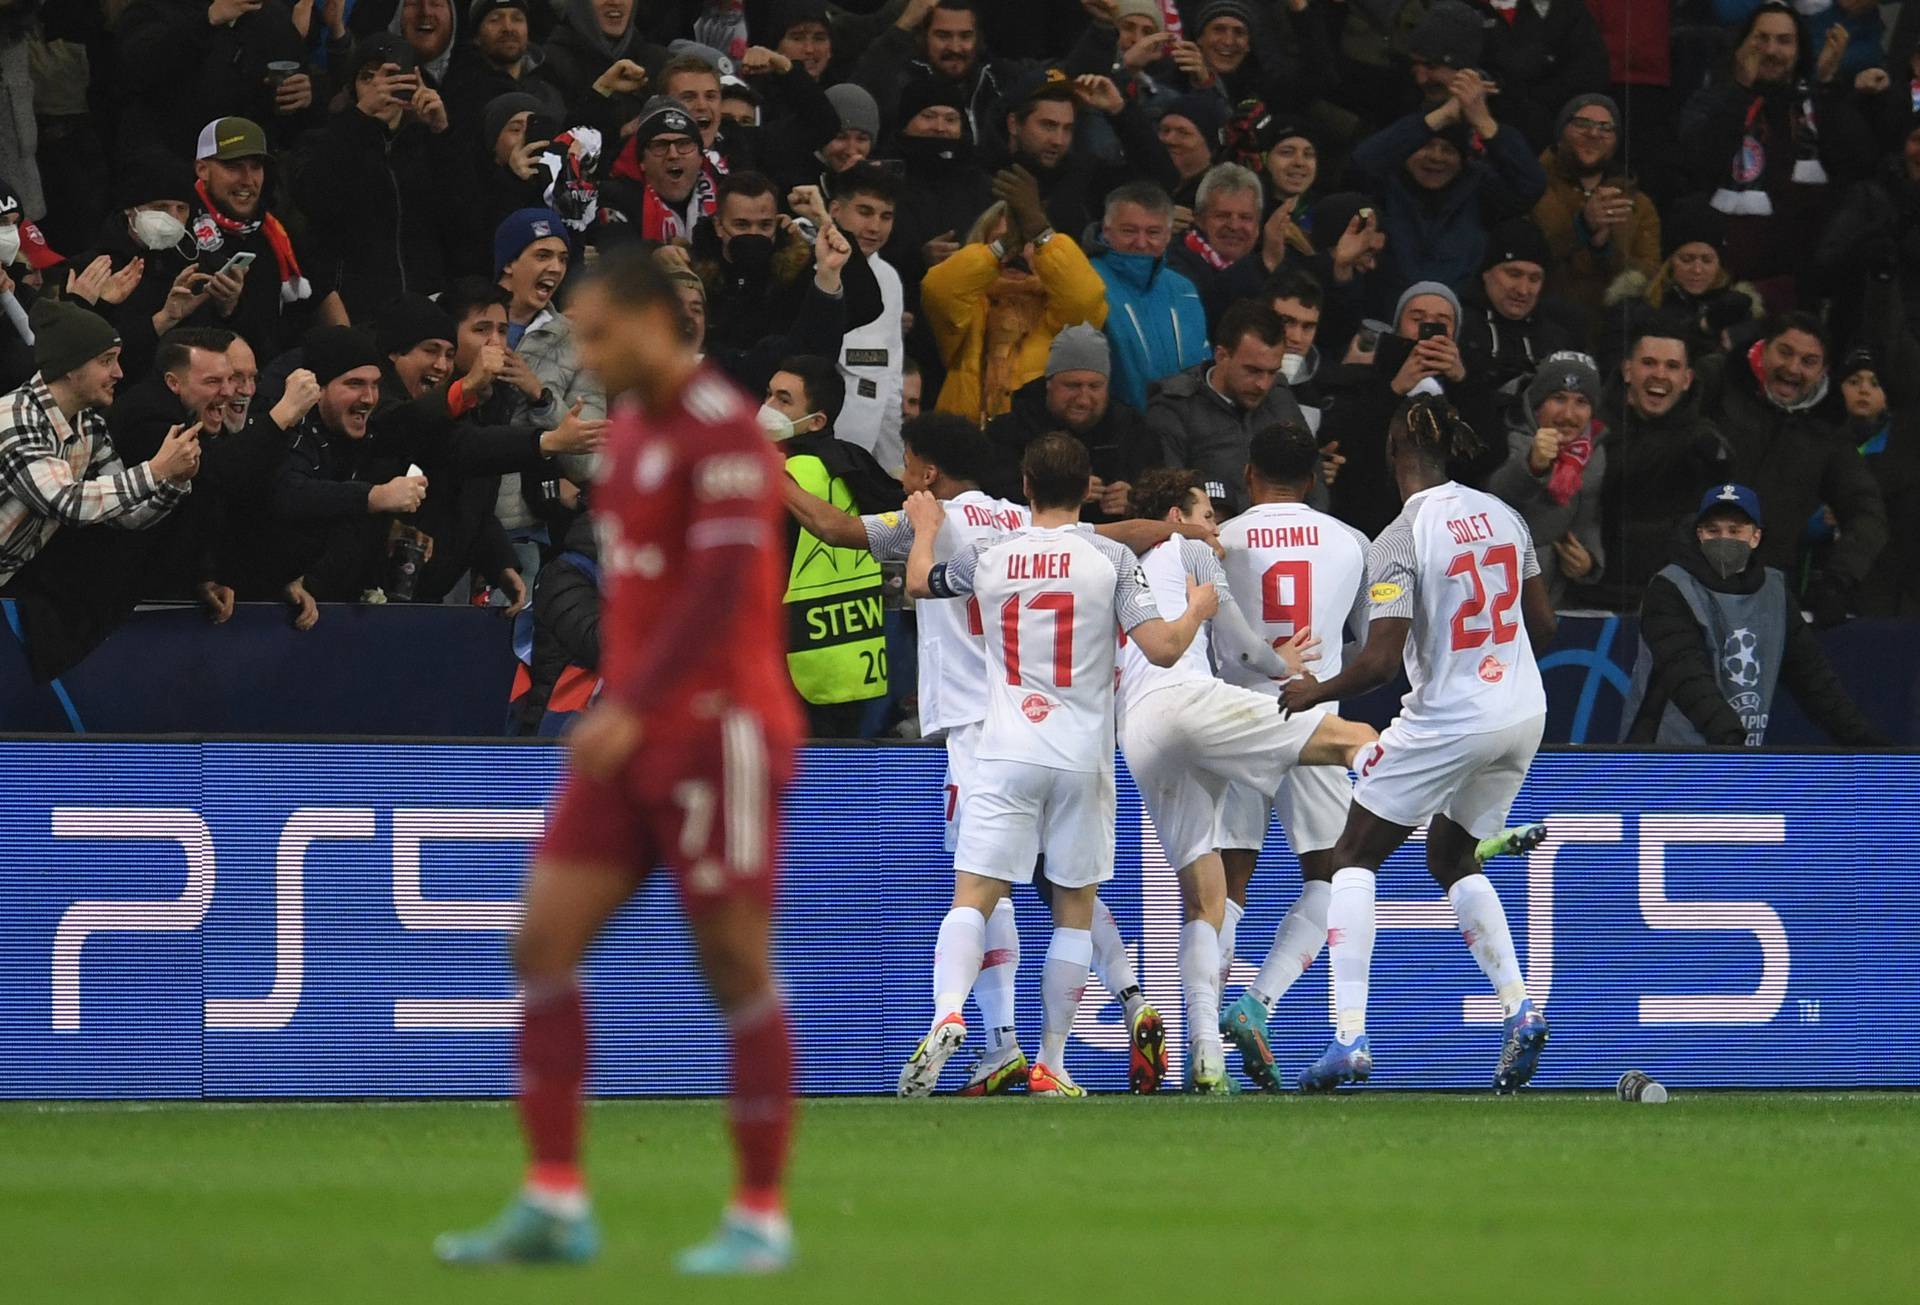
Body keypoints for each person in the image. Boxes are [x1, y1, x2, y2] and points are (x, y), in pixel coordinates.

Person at [433, 249, 801, 1273]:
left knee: (733, 967)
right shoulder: (629, 430)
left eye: (599, 335)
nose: (587, 358)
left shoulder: (725, 429)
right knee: (541, 941)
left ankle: (759, 1214)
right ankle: (554, 1200)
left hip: (719, 731)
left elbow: (725, 590)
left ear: (652, 322)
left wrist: (629, 703)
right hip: (633, 731)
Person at [783, 411, 1187, 1095]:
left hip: (986, 731)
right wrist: (1182, 532)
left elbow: (834, 529)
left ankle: (996, 1037)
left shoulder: (931, 520)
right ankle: (1125, 998)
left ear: (929, 471)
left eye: (908, 465)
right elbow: (1118, 535)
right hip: (1071, 736)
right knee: (1064, 885)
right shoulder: (1023, 523)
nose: (905, 479)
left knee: (984, 883)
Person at [895, 432, 1216, 1100]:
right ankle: (1050, 1061)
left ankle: (949, 1012)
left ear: (1026, 484)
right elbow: (1159, 649)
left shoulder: (991, 553)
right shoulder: (1110, 558)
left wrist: (925, 527)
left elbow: (920, 581)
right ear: (1088, 484)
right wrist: (1197, 612)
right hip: (1082, 758)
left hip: (1004, 749)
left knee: (975, 895)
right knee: (1074, 909)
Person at [1281, 395, 1557, 1095]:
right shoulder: (1505, 514)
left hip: (1453, 716)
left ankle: (1348, 1037)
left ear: (1392, 451)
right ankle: (1520, 1009)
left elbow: (1378, 661)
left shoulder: (1400, 536)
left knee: (1352, 854)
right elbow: (1545, 623)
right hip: (1522, 708)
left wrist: (1314, 690)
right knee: (1451, 853)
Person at [1112, 466, 1369, 1092]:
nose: (1216, 527)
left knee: (1205, 895)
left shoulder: (1115, 567)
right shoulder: (1191, 550)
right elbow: (1241, 645)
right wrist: (1284, 663)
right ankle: (1419, 809)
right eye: (1205, 513)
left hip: (1138, 730)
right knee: (1357, 742)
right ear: (1176, 517)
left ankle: (1206, 1055)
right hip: (1198, 701)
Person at [1210, 422, 1374, 1091]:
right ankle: (1260, 1002)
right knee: (1332, 877)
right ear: (1313, 479)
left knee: (1225, 886)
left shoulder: (1220, 540)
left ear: (1250, 474)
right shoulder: (1352, 543)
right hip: (1315, 722)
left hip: (1235, 722)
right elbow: (1367, 641)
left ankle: (1201, 1046)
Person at [0, 297, 199, 676]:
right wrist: (155, 469)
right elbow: (68, 504)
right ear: (70, 368)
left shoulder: (88, 425)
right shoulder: (14, 419)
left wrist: (174, 482)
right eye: (106, 360)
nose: (119, 373)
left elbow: (127, 516)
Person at [1621, 484, 1886, 748]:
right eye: (1713, 530)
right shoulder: (1670, 586)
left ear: (1755, 537)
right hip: (1665, 757)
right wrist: (1732, 740)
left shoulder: (1775, 591)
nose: (1724, 539)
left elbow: (1813, 680)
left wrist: (1868, 744)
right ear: (1699, 534)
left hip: (1737, 751)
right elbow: (1686, 673)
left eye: (1735, 530)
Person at [1694, 312, 1887, 624]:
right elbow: (1672, 426)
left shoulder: (1829, 429)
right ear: (1764, 347)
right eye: (1785, 352)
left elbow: (1867, 513)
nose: (1793, 368)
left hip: (1764, 590)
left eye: (1809, 361)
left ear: (1823, 371)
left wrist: (1838, 580)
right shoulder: (1720, 376)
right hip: (1688, 572)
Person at [767, 353, 901, 738]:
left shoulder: (787, 472)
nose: (768, 408)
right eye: (768, 395)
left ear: (817, 421)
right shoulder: (855, 464)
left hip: (792, 663)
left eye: (783, 400)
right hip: (854, 657)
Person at [921, 164, 1106, 424]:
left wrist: (1040, 230)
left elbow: (1085, 296)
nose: (1017, 252)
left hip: (1035, 445)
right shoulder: (970, 306)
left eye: (1027, 243)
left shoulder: (1058, 311)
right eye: (1001, 240)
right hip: (964, 446)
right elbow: (939, 289)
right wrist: (1003, 246)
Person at [1348, 69, 1548, 308]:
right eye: (1425, 146)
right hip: (1382, 316)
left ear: (1463, 158)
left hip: (1455, 324)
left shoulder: (1480, 188)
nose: (1436, 157)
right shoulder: (1384, 183)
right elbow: (1361, 163)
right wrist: (1442, 116)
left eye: (1449, 150)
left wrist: (1483, 121)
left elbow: (1532, 184)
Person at [1319, 280, 1499, 538]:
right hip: (1373, 527)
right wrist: (1394, 389)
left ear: (1455, 332)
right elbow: (1345, 447)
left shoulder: (1473, 386)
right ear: (1397, 325)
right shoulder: (1364, 376)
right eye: (1417, 318)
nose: (1427, 327)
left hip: (1447, 531)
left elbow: (1488, 455)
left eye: (1442, 320)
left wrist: (1463, 384)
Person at [1581, 324, 1733, 613]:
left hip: (1669, 599)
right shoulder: (1589, 427)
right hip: (1590, 593)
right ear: (1627, 370)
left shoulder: (1707, 443)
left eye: (1672, 366)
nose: (1660, 375)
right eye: (1649, 363)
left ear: (1687, 379)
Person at [981, 325, 1161, 525]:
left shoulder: (1132, 429)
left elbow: (1163, 490)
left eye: (1094, 386)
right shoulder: (1010, 431)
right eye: (1072, 386)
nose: (1084, 399)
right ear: (1049, 383)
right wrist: (1061, 492)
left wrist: (1137, 500)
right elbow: (991, 496)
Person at [1147, 300, 1307, 516]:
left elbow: (1311, 478)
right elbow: (1169, 502)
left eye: (1272, 372)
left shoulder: (1279, 397)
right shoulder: (1174, 408)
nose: (1264, 384)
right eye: (1253, 371)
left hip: (1285, 537)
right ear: (1222, 355)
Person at [1530, 93, 1661, 333]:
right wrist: (1581, 227)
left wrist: (1604, 250)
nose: (1593, 134)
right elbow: (1522, 255)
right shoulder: (1532, 186)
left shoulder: (1638, 204)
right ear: (1561, 131)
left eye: (1606, 128)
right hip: (1540, 326)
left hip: (1608, 334)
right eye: (1582, 124)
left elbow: (1649, 277)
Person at [1487, 352, 1608, 605]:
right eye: (1558, 398)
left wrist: (1589, 561)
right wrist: (1531, 466)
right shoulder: (1502, 431)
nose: (1568, 415)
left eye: (1581, 402)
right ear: (1537, 401)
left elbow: (1588, 519)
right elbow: (1490, 501)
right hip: (1495, 591)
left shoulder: (1594, 451)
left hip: (1555, 601)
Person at [186, 117, 312, 358]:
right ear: (202, 169)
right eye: (233, 166)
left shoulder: (275, 232)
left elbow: (308, 308)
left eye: (256, 167)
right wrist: (229, 310)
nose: (247, 179)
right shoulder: (181, 231)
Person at [1088, 180, 1208, 412]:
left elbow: (1201, 367)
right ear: (1106, 230)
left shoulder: (1185, 290)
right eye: (1129, 231)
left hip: (1183, 432)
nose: (1141, 243)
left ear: (1167, 236)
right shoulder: (1088, 282)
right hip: (1118, 433)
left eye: (1153, 232)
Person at [827, 164, 907, 473]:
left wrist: (894, 467)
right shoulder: (808, 263)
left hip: (867, 451)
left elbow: (890, 379)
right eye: (865, 212)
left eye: (885, 216)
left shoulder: (888, 278)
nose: (875, 226)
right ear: (835, 210)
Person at [1456, 217, 1581, 399]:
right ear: (1486, 273)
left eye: (1534, 279)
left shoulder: (1557, 341)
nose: (1523, 290)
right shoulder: (1458, 328)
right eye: (1514, 274)